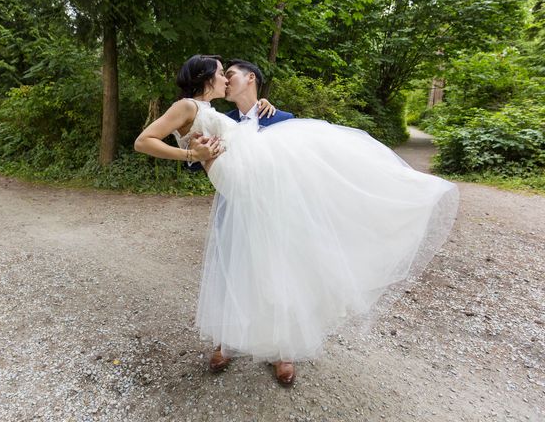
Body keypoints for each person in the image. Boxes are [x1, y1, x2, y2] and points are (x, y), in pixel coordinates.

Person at [134, 54, 459, 387]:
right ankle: (226, 340)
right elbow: (194, 151)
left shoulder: (279, 117)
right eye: (222, 74)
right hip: (236, 204)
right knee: (232, 268)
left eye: (231, 74)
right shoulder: (214, 113)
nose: (226, 79)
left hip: (276, 208)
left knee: (278, 272)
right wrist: (194, 153)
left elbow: (293, 164)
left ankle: (281, 348)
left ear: (251, 79)